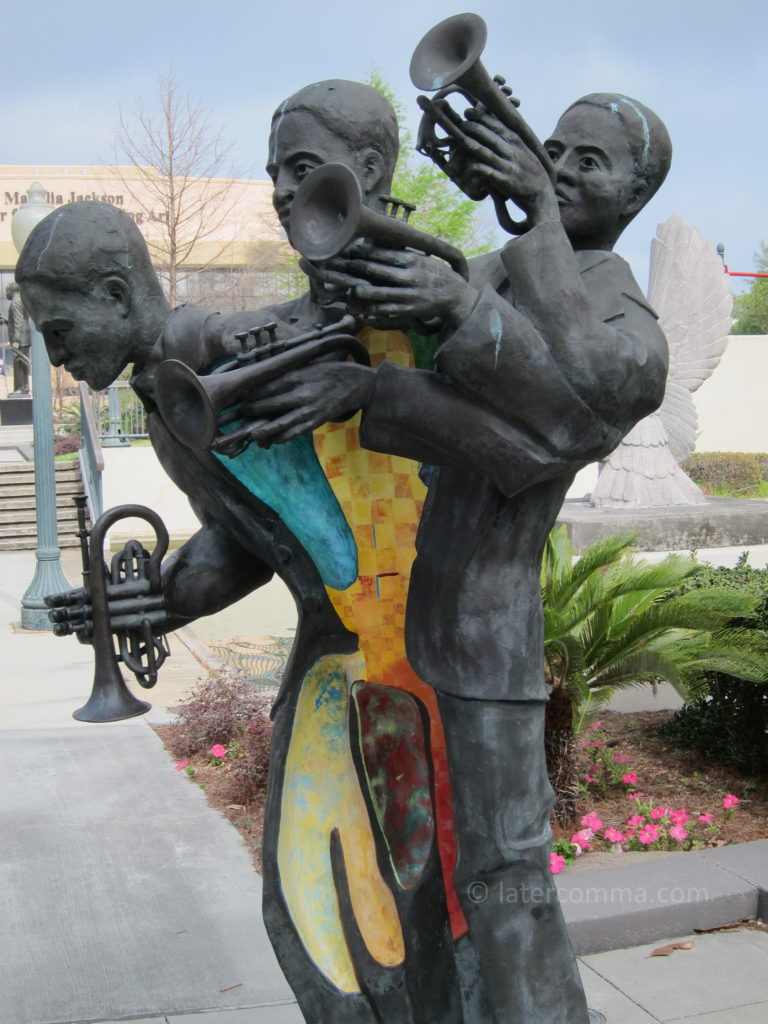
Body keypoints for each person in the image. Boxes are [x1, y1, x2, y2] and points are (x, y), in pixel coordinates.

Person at [16, 81, 466, 1024]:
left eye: (61, 332)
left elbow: (296, 351)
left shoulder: (200, 346)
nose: (58, 358)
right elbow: (249, 544)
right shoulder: (165, 390)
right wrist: (154, 601)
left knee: (385, 910)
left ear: (111, 294)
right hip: (340, 657)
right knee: (325, 906)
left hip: (406, 656)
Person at [243, 92, 672, 1022]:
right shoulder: (494, 275)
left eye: (585, 162)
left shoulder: (629, 327)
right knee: (461, 881)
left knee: (507, 880)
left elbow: (561, 424)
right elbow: (466, 385)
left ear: (637, 192)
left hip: (488, 649)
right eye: (551, 147)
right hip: (427, 639)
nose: (555, 165)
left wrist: (466, 299)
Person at [3, 282, 31, 396]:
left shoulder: (15, 303)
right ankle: (23, 388)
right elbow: (20, 320)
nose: (5, 294)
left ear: (11, 291)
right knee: (22, 363)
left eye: (6, 291)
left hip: (20, 339)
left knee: (19, 363)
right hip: (24, 337)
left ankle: (22, 388)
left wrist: (16, 341)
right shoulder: (22, 300)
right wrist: (6, 320)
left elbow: (18, 323)